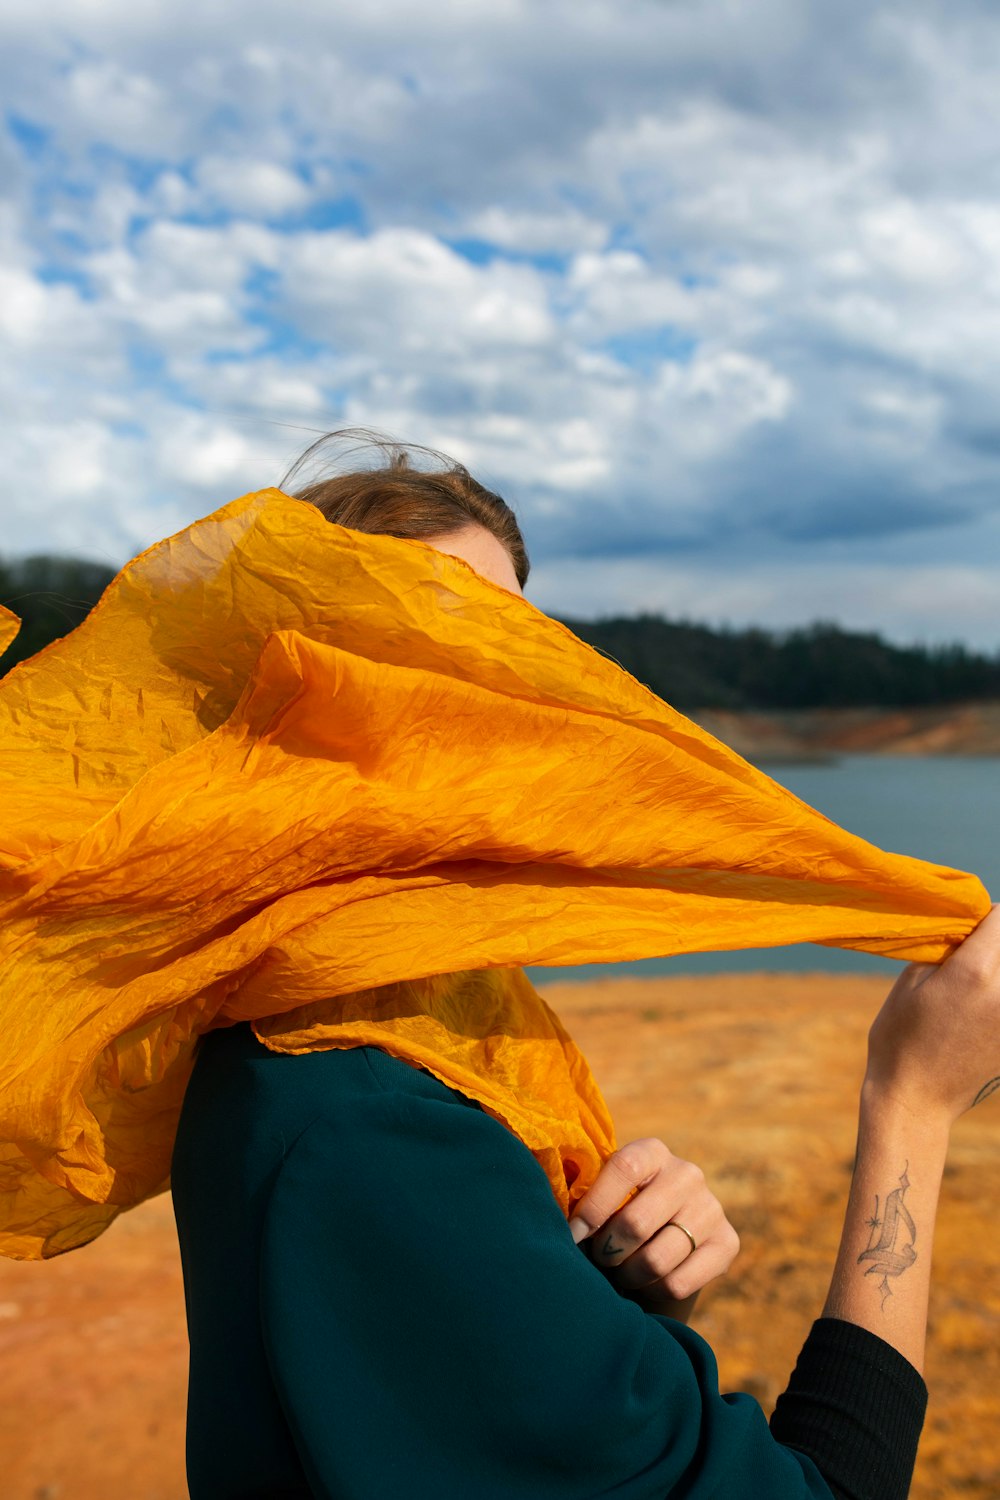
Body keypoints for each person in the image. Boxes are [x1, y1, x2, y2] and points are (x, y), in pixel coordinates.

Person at [168, 431, 1000, 1500]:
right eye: (427, 646)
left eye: (517, 656)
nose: (497, 704)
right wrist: (913, 1102)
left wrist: (596, 1299)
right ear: (297, 696)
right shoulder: (370, 1117)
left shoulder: (321, 1015)